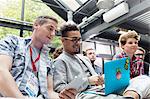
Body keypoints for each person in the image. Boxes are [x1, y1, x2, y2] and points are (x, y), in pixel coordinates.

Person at [53, 23, 150, 99]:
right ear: (63, 40)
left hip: (100, 89)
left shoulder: (84, 58)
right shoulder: (60, 61)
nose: (78, 43)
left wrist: (103, 78)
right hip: (84, 94)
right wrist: (87, 81)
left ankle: (130, 97)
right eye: (74, 39)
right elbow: (60, 89)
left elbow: (96, 79)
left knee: (144, 79)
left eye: (79, 39)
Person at [0, 16, 72, 99]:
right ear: (36, 25)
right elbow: (2, 71)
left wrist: (63, 97)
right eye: (50, 29)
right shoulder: (13, 42)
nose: (53, 34)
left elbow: (49, 92)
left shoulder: (48, 61)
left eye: (55, 31)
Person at [113, 30, 150, 99]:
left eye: (136, 43)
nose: (134, 45)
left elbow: (140, 78)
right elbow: (119, 79)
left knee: (146, 79)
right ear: (123, 45)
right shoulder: (118, 58)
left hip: (136, 86)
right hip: (121, 86)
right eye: (130, 43)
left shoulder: (139, 61)